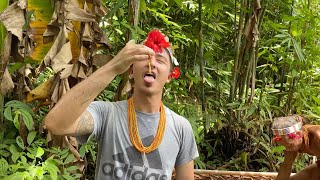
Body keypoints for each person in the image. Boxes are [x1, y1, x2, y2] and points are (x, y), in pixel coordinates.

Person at [44, 30, 199, 180]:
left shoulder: (181, 128)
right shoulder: (106, 114)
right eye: (144, 58)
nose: (151, 63)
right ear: (131, 70)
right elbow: (54, 123)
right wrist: (114, 67)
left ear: (169, 77)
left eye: (160, 60)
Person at [271, 115, 320, 180]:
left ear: (298, 134)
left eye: (289, 145)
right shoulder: (291, 145)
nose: (288, 149)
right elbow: (286, 167)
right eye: (284, 146)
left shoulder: (317, 137)